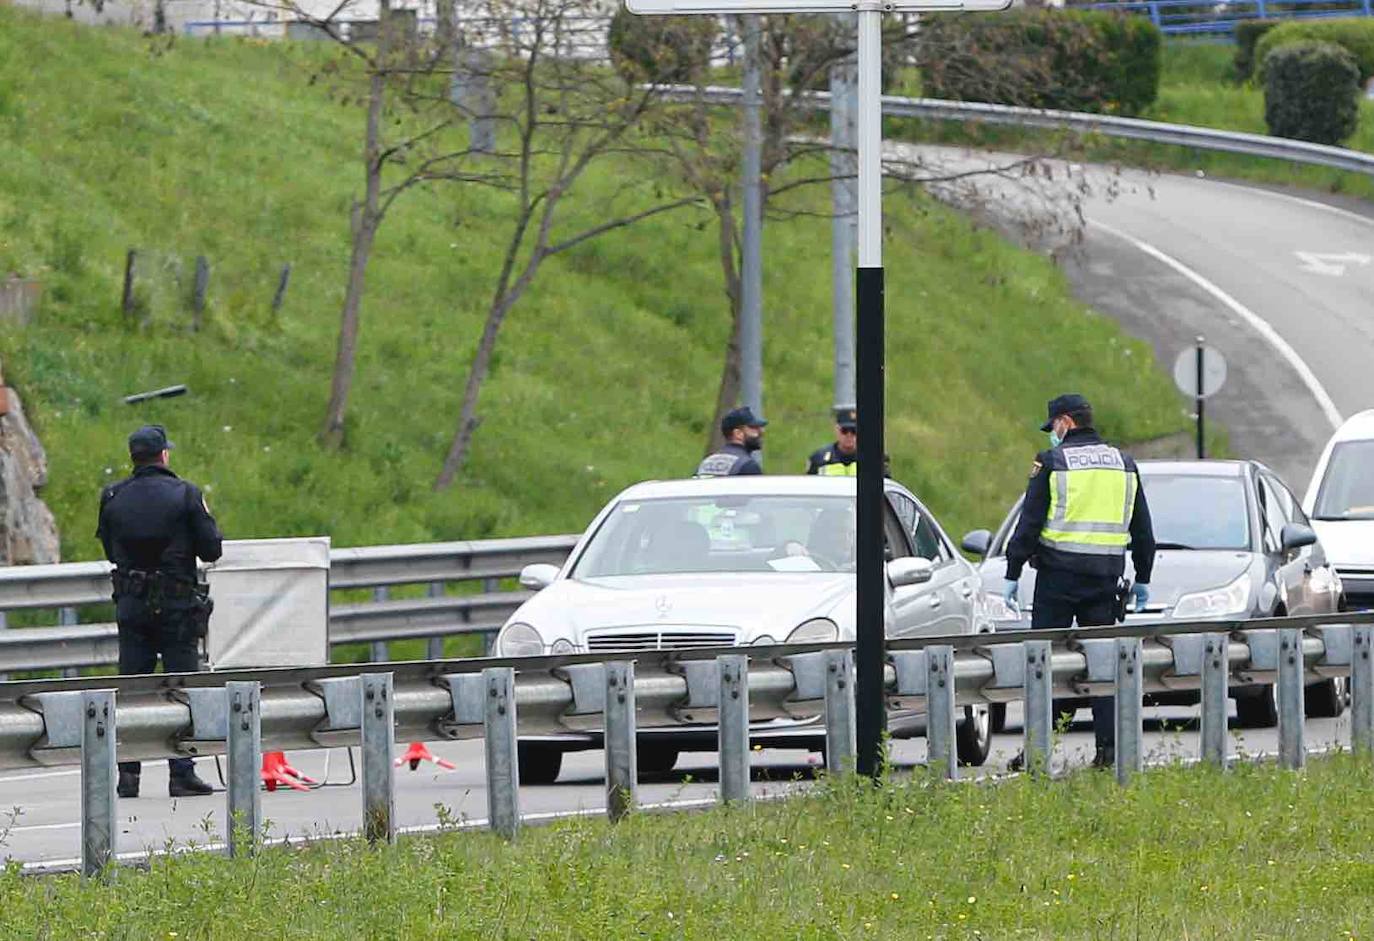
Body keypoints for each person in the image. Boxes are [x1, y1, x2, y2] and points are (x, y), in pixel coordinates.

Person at [1003, 394, 1155, 769]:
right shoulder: (1124, 463)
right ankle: (1108, 750)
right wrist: (1143, 576)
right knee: (1102, 666)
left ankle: (1037, 751)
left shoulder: (1052, 462)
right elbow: (1143, 530)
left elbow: (1029, 523)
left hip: (1057, 579)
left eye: (1053, 425)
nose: (1052, 433)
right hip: (1105, 580)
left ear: (1066, 422)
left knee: (1043, 665)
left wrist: (1012, 570)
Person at [97, 425, 222, 798]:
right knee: (180, 688)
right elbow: (212, 549)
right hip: (176, 604)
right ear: (164, 455)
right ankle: (181, 771)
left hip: (132, 604)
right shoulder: (186, 494)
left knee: (132, 690)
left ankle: (128, 774)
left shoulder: (113, 496)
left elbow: (109, 549)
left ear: (134, 457)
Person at [696, 406, 766, 477]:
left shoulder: (706, 462)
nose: (761, 431)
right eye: (753, 428)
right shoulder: (747, 466)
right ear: (738, 433)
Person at [806, 408, 859, 476]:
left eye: (854, 430)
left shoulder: (871, 460)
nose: (849, 435)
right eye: (844, 430)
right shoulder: (819, 459)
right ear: (836, 430)